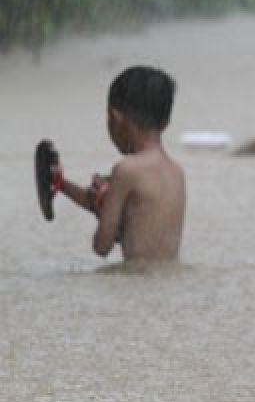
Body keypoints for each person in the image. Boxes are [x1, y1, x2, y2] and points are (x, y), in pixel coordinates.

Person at [49, 66, 186, 263]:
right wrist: (62, 185)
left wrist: (102, 203)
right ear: (166, 122)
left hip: (137, 285)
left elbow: (102, 246)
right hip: (167, 285)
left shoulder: (126, 170)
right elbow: (135, 224)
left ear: (115, 118)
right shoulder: (176, 172)